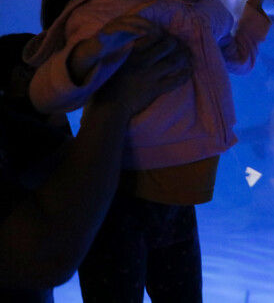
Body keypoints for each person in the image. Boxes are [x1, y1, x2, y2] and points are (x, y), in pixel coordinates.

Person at [23, 0, 272, 302]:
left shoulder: (199, 12)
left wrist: (253, 8)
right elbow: (45, 91)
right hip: (117, 200)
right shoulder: (108, 15)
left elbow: (239, 59)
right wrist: (84, 54)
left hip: (179, 202)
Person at [0, 32, 191, 302]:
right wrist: (115, 103)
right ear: (21, 79)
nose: (74, 91)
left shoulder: (30, 141)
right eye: (59, 76)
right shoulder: (22, 140)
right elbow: (43, 257)